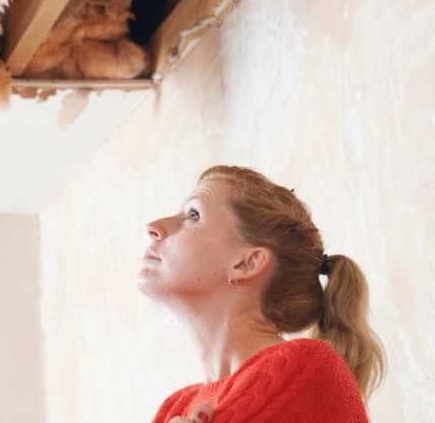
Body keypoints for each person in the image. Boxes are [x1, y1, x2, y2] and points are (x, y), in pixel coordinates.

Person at [138, 166, 385, 423]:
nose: (153, 227)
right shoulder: (174, 408)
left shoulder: (303, 369)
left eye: (192, 214)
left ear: (248, 263)